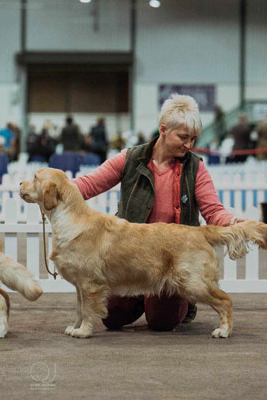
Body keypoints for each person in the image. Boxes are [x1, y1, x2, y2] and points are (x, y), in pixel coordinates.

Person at [72, 94, 246, 332]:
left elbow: (213, 210)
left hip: (171, 260)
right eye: (183, 137)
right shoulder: (130, 158)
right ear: (163, 130)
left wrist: (234, 221)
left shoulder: (196, 167)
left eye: (193, 138)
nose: (189, 145)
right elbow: (89, 184)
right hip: (130, 258)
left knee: (161, 322)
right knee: (111, 318)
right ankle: (140, 298)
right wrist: (55, 188)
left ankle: (176, 303)